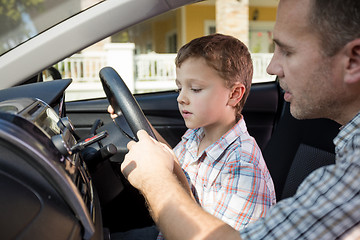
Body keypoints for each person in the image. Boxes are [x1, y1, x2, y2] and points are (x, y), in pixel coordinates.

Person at [121, 0, 360, 239]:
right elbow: (180, 171)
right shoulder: (196, 134)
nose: (270, 67)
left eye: (287, 51)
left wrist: (155, 179)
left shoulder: (244, 166)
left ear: (353, 61)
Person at [110, 33, 276, 239]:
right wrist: (138, 124)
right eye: (179, 87)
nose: (181, 98)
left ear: (234, 94)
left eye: (195, 89)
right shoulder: (197, 134)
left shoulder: (242, 166)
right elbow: (174, 165)